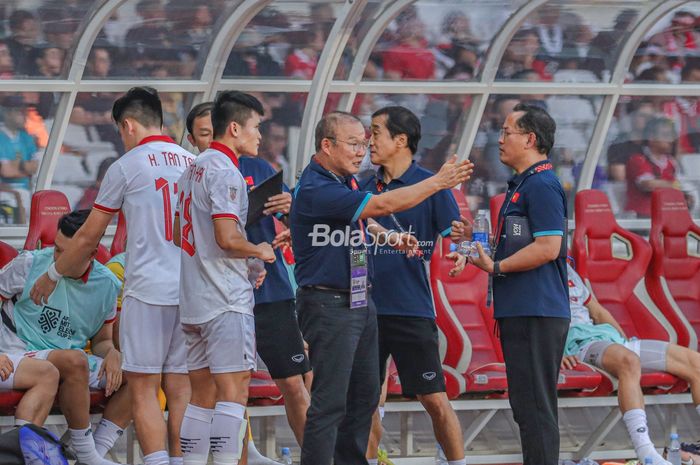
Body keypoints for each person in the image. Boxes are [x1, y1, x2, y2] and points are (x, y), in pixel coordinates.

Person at [290, 111, 473, 465]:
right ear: (327, 145)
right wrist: (439, 181)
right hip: (330, 304)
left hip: (367, 301)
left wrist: (389, 235)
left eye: (367, 140)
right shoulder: (318, 185)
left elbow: (367, 220)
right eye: (356, 142)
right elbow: (383, 204)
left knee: (364, 399)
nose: (364, 149)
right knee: (330, 402)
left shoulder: (346, 181)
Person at [30, 87, 196, 465]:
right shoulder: (193, 162)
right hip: (189, 292)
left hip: (149, 291)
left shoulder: (128, 165)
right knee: (180, 388)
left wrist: (54, 273)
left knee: (143, 386)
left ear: (128, 125)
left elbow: (90, 234)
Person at [185, 102, 311, 449]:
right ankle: (237, 456)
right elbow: (225, 237)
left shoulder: (254, 166)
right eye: (203, 133)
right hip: (228, 289)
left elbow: (290, 223)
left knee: (290, 382)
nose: (260, 134)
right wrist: (259, 250)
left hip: (266, 290)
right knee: (228, 388)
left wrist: (289, 208)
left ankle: (312, 457)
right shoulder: (212, 170)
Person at [361, 106, 468, 465]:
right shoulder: (362, 185)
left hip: (411, 309)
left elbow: (457, 236)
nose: (369, 139)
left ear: (401, 140)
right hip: (365, 310)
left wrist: (461, 253)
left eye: (376, 132)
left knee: (435, 399)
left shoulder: (431, 185)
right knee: (366, 403)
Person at [470, 103, 569, 465]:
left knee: (536, 408)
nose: (499, 139)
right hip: (522, 310)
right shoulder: (523, 183)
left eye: (506, 132)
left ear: (530, 139)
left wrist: (496, 266)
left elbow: (548, 246)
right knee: (525, 407)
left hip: (537, 310)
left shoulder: (542, 184)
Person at [0, 209, 130, 464]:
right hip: (17, 350)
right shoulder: (30, 264)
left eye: (64, 253)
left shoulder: (106, 285)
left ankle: (94, 452)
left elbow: (102, 341)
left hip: (66, 358)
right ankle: (85, 451)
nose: (56, 257)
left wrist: (113, 353)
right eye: (56, 248)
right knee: (73, 361)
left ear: (91, 254)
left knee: (140, 375)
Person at [561, 262, 700, 465]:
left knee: (695, 362)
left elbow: (599, 313)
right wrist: (554, 353)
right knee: (629, 361)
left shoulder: (567, 269)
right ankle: (646, 453)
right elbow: (529, 323)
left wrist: (622, 340)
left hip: (609, 340)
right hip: (579, 344)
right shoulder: (532, 272)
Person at [625, 117, 681, 218]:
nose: (670, 140)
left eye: (671, 136)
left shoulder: (671, 162)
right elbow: (648, 185)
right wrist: (674, 185)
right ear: (651, 138)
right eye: (665, 135)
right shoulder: (638, 159)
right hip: (641, 217)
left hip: (664, 214)